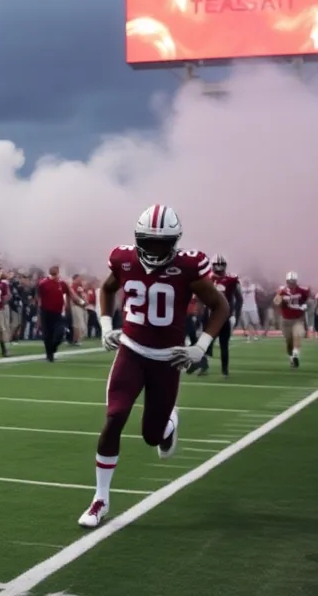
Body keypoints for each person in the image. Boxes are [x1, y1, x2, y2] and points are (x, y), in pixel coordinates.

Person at [77, 204, 229, 529]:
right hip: (131, 351)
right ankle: (100, 498)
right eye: (150, 242)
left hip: (167, 359)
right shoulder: (124, 259)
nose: (155, 250)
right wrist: (106, 326)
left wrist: (200, 347)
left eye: (163, 243)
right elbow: (106, 288)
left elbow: (221, 306)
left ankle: (169, 423)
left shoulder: (188, 266)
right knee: (115, 417)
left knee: (151, 436)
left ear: (174, 242)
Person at [197, 253, 240, 377]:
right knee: (205, 343)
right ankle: (204, 366)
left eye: (221, 264)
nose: (219, 267)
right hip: (210, 316)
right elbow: (200, 298)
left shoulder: (231, 279)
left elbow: (239, 299)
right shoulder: (207, 278)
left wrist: (235, 315)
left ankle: (224, 370)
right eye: (217, 264)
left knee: (223, 344)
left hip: (225, 316)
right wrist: (200, 315)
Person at [275, 271, 311, 367]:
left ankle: (296, 355)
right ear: (287, 281)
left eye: (293, 281)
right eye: (290, 281)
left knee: (297, 336)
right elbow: (276, 302)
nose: (291, 283)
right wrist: (281, 299)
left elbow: (308, 300)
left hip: (298, 319)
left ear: (296, 281)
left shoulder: (303, 290)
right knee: (289, 341)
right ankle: (291, 356)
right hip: (286, 319)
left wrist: (305, 305)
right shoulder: (282, 290)